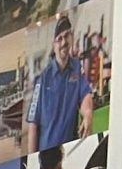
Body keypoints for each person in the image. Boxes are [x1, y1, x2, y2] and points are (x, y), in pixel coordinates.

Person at [26, 14, 96, 154]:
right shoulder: (42, 79)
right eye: (59, 39)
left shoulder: (77, 67)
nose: (64, 42)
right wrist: (32, 159)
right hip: (46, 153)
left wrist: (88, 114)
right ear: (54, 45)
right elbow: (33, 125)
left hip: (70, 152)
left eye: (67, 35)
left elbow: (85, 95)